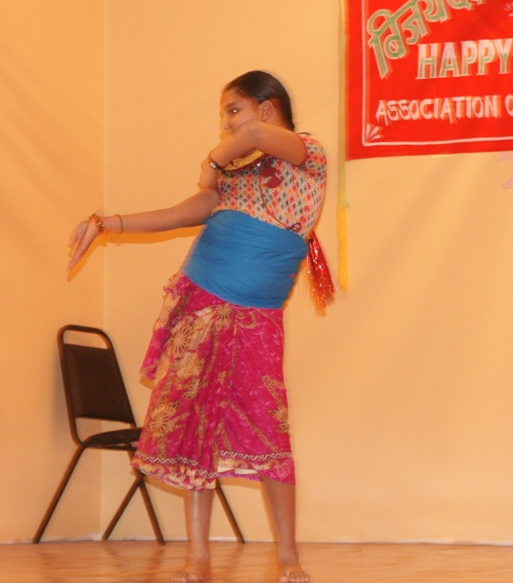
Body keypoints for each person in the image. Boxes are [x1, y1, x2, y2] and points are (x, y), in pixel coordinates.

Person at [66, 70, 329, 583]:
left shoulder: (307, 155)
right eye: (224, 116)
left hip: (256, 319)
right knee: (194, 432)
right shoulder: (234, 180)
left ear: (267, 107)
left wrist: (211, 161)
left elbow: (253, 136)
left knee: (268, 430)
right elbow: (176, 214)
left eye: (233, 109)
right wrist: (104, 224)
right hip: (202, 305)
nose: (228, 124)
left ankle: (288, 558)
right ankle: (198, 558)